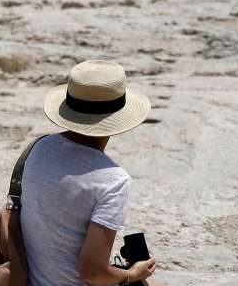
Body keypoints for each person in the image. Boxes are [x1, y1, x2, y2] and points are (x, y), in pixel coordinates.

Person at [19, 60, 158, 286]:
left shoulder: (39, 147)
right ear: (119, 114)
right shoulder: (113, 181)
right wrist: (132, 274)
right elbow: (92, 273)